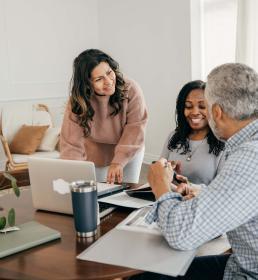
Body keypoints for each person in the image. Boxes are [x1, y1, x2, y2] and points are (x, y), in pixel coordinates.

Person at [133, 63, 258, 280]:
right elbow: (235, 194)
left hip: (248, 273)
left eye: (205, 107)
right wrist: (197, 190)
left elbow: (181, 236)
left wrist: (162, 187)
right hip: (241, 261)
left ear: (216, 112)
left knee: (146, 277)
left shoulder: (249, 157)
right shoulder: (244, 145)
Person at [60, 49, 147, 184]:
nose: (108, 81)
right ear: (87, 84)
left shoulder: (131, 89)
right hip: (95, 155)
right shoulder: (78, 102)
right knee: (98, 196)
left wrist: (118, 162)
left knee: (127, 195)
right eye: (99, 79)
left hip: (129, 149)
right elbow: (71, 144)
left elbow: (135, 128)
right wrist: (72, 173)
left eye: (109, 72)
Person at [161, 80, 225, 185]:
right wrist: (168, 175)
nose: (195, 112)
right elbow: (159, 175)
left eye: (202, 106)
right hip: (170, 198)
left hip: (203, 200)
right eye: (188, 106)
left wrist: (188, 187)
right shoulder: (173, 136)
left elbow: (221, 191)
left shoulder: (224, 143)